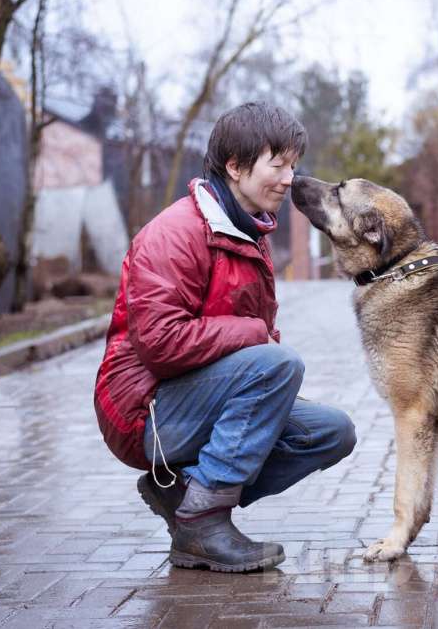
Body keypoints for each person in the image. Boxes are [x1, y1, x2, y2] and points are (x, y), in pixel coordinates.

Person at [93, 102, 357, 573]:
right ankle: (202, 521)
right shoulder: (174, 234)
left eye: (293, 165)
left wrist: (261, 368)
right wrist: (253, 336)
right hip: (143, 413)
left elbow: (251, 349)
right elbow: (159, 343)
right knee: (279, 365)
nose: (290, 178)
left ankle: (180, 495)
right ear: (235, 167)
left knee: (330, 432)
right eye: (278, 165)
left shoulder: (245, 232)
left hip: (191, 399)